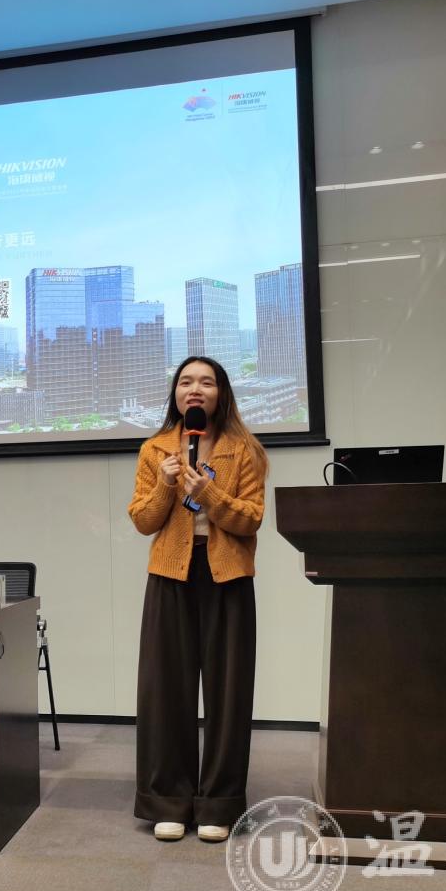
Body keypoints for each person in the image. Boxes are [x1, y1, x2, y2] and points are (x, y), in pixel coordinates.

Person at [127, 355, 268, 842]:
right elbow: (143, 520)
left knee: (229, 693)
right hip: (171, 574)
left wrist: (208, 494)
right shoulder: (155, 449)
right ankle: (169, 800)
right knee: (166, 689)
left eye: (206, 382)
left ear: (220, 393)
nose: (195, 389)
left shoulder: (244, 449)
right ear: (175, 394)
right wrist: (166, 484)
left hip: (227, 577)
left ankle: (219, 804)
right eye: (186, 381)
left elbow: (250, 519)